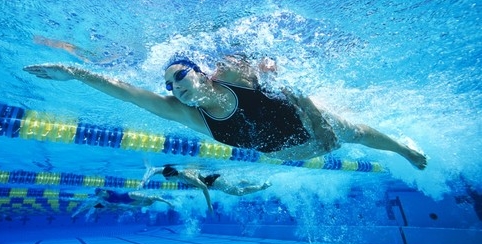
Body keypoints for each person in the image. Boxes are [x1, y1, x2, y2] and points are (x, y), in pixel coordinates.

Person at [23, 53, 427, 170]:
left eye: (179, 76)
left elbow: (289, 83)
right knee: (342, 139)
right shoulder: (188, 115)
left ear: (201, 73)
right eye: (168, 85)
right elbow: (126, 93)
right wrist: (74, 74)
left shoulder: (233, 71)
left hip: (309, 124)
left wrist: (318, 124)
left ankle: (403, 149)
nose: (174, 88)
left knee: (353, 131)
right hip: (293, 153)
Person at [140, 164, 272, 212]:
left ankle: (262, 186)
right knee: (237, 182)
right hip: (210, 178)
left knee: (238, 192)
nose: (167, 180)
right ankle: (250, 180)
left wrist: (209, 205)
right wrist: (144, 180)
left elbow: (204, 188)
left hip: (214, 181)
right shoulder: (173, 172)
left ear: (172, 175)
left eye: (167, 178)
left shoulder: (186, 176)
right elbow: (155, 170)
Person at [69, 188, 173, 221]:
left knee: (151, 198)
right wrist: (76, 213)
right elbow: (88, 206)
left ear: (103, 190)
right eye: (99, 194)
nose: (101, 195)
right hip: (128, 202)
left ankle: (168, 202)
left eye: (101, 193)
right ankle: (164, 203)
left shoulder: (110, 190)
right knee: (149, 203)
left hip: (130, 195)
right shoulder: (102, 200)